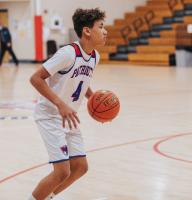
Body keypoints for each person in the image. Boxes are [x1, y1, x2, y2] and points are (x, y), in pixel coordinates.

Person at [29, 8, 107, 200]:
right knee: (62, 171)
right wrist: (60, 104)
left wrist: (94, 98)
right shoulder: (68, 53)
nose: (105, 31)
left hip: (68, 117)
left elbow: (82, 80)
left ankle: (46, 196)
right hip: (49, 114)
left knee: (80, 167)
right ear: (87, 31)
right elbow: (36, 78)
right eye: (101, 27)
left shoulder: (95, 56)